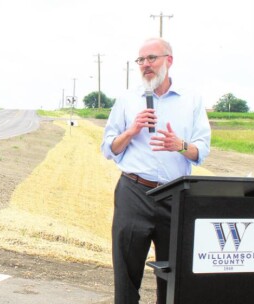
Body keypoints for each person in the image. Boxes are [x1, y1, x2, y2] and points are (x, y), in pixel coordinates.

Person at [101, 37, 211, 304]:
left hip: (175, 197)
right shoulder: (127, 100)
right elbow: (108, 148)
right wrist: (131, 130)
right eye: (141, 60)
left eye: (152, 58)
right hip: (134, 192)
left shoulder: (192, 100)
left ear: (168, 60)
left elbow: (201, 151)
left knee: (173, 275)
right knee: (126, 272)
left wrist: (180, 145)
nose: (145, 65)